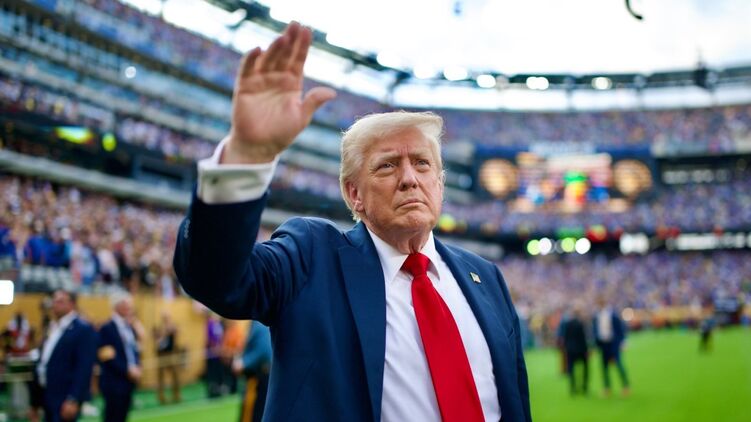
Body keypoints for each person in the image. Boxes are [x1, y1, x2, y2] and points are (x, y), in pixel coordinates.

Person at [173, 22, 531, 421]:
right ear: (354, 194)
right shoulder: (312, 259)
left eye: (422, 163)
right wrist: (246, 156)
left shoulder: (486, 278)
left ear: (440, 184)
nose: (409, 178)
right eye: (388, 165)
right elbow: (215, 278)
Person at [34, 289, 97, 422]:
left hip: (64, 395)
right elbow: (44, 360)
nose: (55, 304)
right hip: (47, 393)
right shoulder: (52, 326)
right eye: (54, 301)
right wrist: (35, 401)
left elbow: (84, 367)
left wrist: (73, 398)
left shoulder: (82, 329)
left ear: (72, 304)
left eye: (60, 301)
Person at [97, 292, 143, 422]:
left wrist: (137, 366)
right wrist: (127, 370)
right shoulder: (107, 328)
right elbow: (107, 357)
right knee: (112, 416)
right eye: (126, 304)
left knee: (123, 416)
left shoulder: (128, 327)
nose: (129, 307)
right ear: (117, 306)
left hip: (128, 382)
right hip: (114, 382)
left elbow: (134, 349)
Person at [233, 321, 272, 422]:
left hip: (259, 377)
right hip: (260, 377)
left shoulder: (260, 325)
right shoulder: (257, 324)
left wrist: (244, 362)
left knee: (254, 413)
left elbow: (263, 349)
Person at [593, 297, 630, 397]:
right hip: (603, 344)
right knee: (604, 367)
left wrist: (623, 342)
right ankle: (607, 388)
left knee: (618, 365)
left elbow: (620, 329)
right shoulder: (596, 316)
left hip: (613, 344)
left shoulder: (612, 314)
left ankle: (625, 386)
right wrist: (596, 345)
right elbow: (595, 330)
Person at [153, 310, 181, 404]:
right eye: (164, 317)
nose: (166, 319)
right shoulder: (159, 327)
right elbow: (155, 339)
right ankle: (161, 397)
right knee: (160, 377)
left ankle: (176, 395)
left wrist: (170, 329)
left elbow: (177, 332)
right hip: (161, 354)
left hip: (171, 354)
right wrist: (162, 333)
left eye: (167, 317)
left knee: (175, 375)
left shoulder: (172, 326)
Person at [561, 306, 589, 395]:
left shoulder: (568, 323)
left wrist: (566, 347)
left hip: (570, 350)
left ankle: (572, 388)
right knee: (585, 368)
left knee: (571, 369)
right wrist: (586, 350)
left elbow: (565, 337)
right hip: (581, 350)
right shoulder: (581, 323)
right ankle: (584, 387)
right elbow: (583, 338)